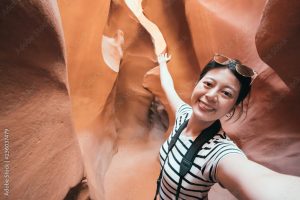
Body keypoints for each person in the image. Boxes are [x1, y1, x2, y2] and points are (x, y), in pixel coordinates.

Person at [156, 53, 300, 200]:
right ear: (197, 84)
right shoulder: (183, 115)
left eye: (226, 93)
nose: (211, 95)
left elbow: (261, 181)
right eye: (208, 84)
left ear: (233, 107)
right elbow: (168, 86)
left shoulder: (218, 152)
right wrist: (162, 62)